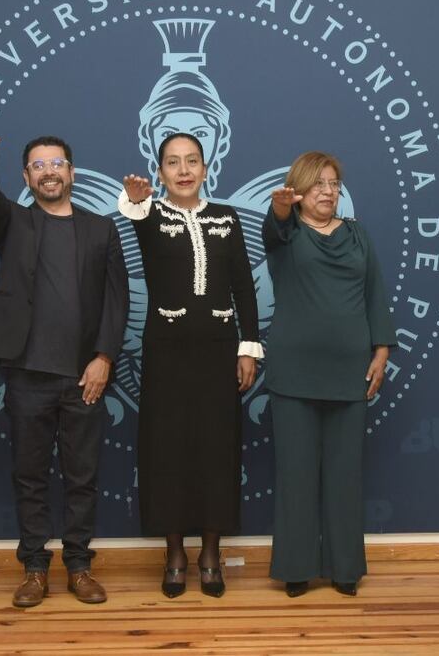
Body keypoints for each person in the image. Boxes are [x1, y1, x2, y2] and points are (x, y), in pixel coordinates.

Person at [0, 124, 128, 607]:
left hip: (85, 377)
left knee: (83, 477)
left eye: (57, 163)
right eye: (38, 165)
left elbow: (117, 301)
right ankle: (35, 568)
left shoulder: (101, 228)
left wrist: (103, 358)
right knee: (29, 475)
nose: (49, 172)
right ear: (27, 177)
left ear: (72, 172)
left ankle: (79, 566)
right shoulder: (12, 222)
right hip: (27, 375)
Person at [119, 132, 262, 598]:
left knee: (217, 450)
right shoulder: (151, 214)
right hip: (166, 353)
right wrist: (137, 201)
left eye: (192, 161)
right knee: (168, 452)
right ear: (160, 171)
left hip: (219, 352)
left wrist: (248, 347)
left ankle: (211, 553)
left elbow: (244, 286)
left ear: (206, 167)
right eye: (173, 162)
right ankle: (175, 552)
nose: (183, 170)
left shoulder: (227, 216)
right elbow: (137, 215)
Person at [262, 151, 396, 598]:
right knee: (296, 474)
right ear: (298, 191)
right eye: (317, 183)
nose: (327, 191)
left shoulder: (357, 235)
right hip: (294, 373)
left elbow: (375, 291)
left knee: (344, 474)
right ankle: (296, 569)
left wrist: (381, 349)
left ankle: (344, 569)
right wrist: (281, 207)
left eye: (334, 183)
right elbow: (274, 225)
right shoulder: (286, 233)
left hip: (350, 372)